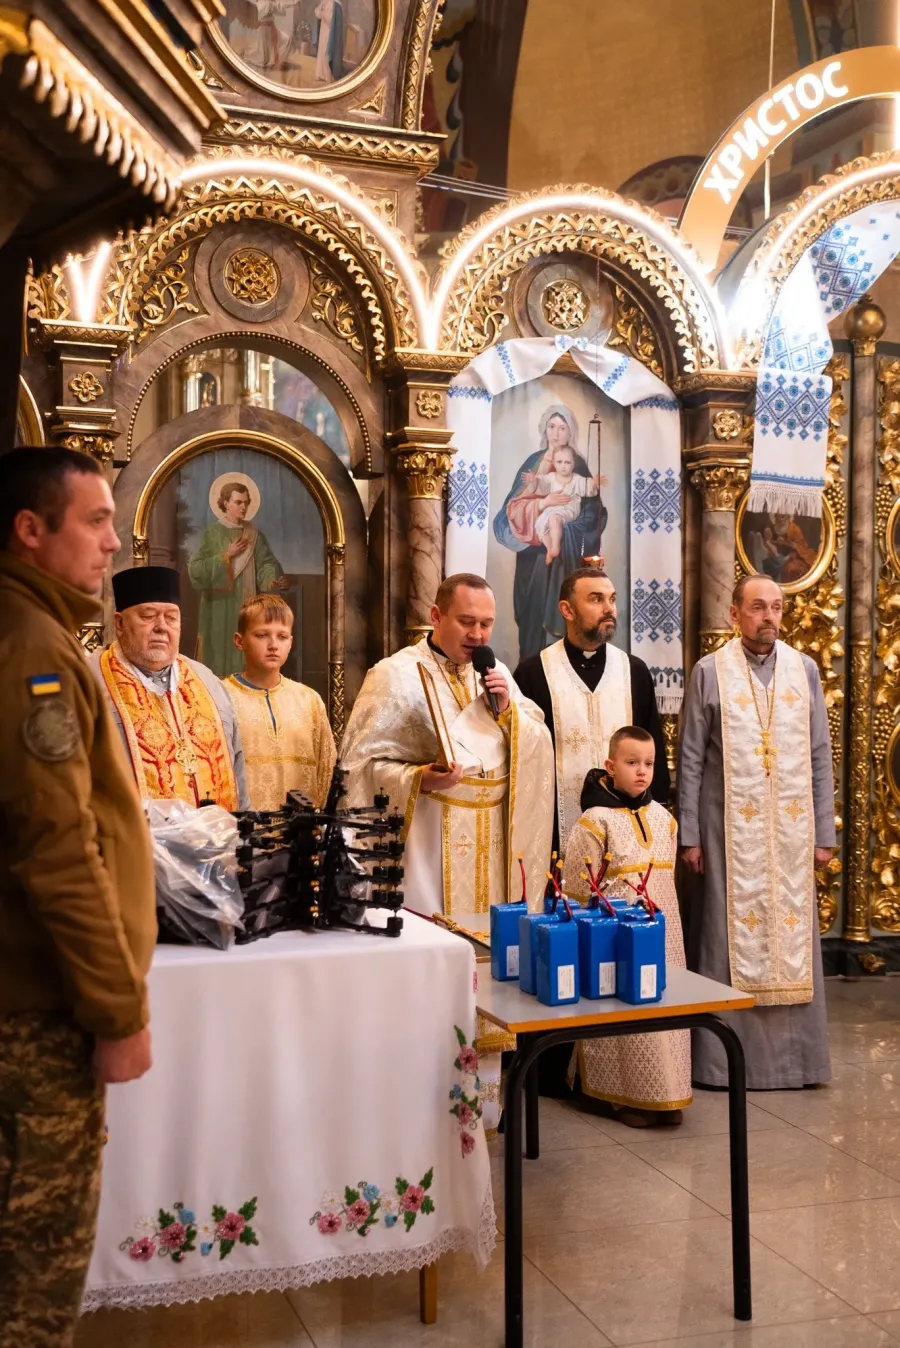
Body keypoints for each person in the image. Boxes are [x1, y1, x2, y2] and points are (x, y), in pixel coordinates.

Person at [0, 447, 156, 1347]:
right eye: (95, 520)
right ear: (31, 529)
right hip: (38, 1011)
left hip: (31, 997)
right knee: (34, 1277)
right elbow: (58, 847)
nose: (112, 542)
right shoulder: (33, 649)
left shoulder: (36, 630)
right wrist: (117, 1008)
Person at [677, 575, 836, 1089]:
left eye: (777, 607)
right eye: (758, 607)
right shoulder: (710, 671)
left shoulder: (803, 670)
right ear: (735, 613)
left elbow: (819, 754)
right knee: (725, 935)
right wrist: (690, 835)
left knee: (792, 940)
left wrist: (824, 831)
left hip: (791, 832)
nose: (769, 617)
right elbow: (690, 758)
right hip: (726, 830)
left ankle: (798, 1063)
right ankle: (720, 1065)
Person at [340, 573, 554, 919]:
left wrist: (508, 714)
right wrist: (419, 778)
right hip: (429, 845)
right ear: (436, 616)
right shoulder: (394, 674)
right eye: (466, 621)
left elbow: (538, 737)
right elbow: (358, 769)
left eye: (486, 624)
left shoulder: (495, 672)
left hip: (494, 841)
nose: (478, 634)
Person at [563, 726, 690, 1127]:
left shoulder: (665, 820)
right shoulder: (593, 821)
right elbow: (577, 888)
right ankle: (622, 1096)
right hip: (614, 937)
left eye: (649, 763)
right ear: (610, 766)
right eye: (632, 762)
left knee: (666, 1007)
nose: (641, 771)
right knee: (626, 1012)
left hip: (664, 934)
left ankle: (669, 1092)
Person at [514, 567, 669, 855]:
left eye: (612, 599)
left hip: (626, 838)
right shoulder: (534, 673)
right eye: (596, 599)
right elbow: (524, 760)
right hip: (555, 834)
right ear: (567, 610)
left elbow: (652, 750)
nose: (609, 609)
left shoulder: (634, 671)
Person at [91, 566, 250, 811]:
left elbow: (237, 772)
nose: (161, 627)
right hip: (130, 834)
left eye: (171, 617)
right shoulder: (89, 681)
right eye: (148, 616)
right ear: (120, 623)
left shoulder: (208, 683)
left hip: (216, 834)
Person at [493, 405, 607, 662]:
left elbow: (595, 513)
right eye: (552, 427)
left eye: (562, 428)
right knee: (531, 616)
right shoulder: (533, 463)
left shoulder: (577, 465)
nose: (556, 433)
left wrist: (566, 528)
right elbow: (511, 509)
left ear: (570, 432)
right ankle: (529, 672)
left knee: (566, 612)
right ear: (544, 430)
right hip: (533, 557)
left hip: (565, 557)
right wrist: (544, 503)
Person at [224, 593, 336, 810]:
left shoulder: (309, 700)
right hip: (244, 827)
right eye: (262, 635)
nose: (273, 645)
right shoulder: (222, 697)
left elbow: (327, 769)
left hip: (302, 827)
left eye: (282, 636)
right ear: (239, 641)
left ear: (291, 643)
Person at [187, 478, 285, 679]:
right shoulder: (212, 533)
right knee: (218, 649)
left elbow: (266, 563)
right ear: (226, 503)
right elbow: (196, 569)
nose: (244, 507)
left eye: (246, 502)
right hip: (218, 607)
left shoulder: (254, 534)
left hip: (245, 604)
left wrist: (270, 580)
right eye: (238, 502)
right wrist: (226, 555)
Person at [514, 443, 601, 565]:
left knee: (554, 519)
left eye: (567, 462)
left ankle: (555, 546)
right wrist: (534, 481)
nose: (563, 466)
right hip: (553, 508)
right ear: (554, 463)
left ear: (573, 464)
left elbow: (587, 487)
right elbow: (541, 484)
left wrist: (593, 483)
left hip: (569, 507)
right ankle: (550, 549)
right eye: (559, 462)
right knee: (539, 524)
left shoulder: (577, 479)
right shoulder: (551, 477)